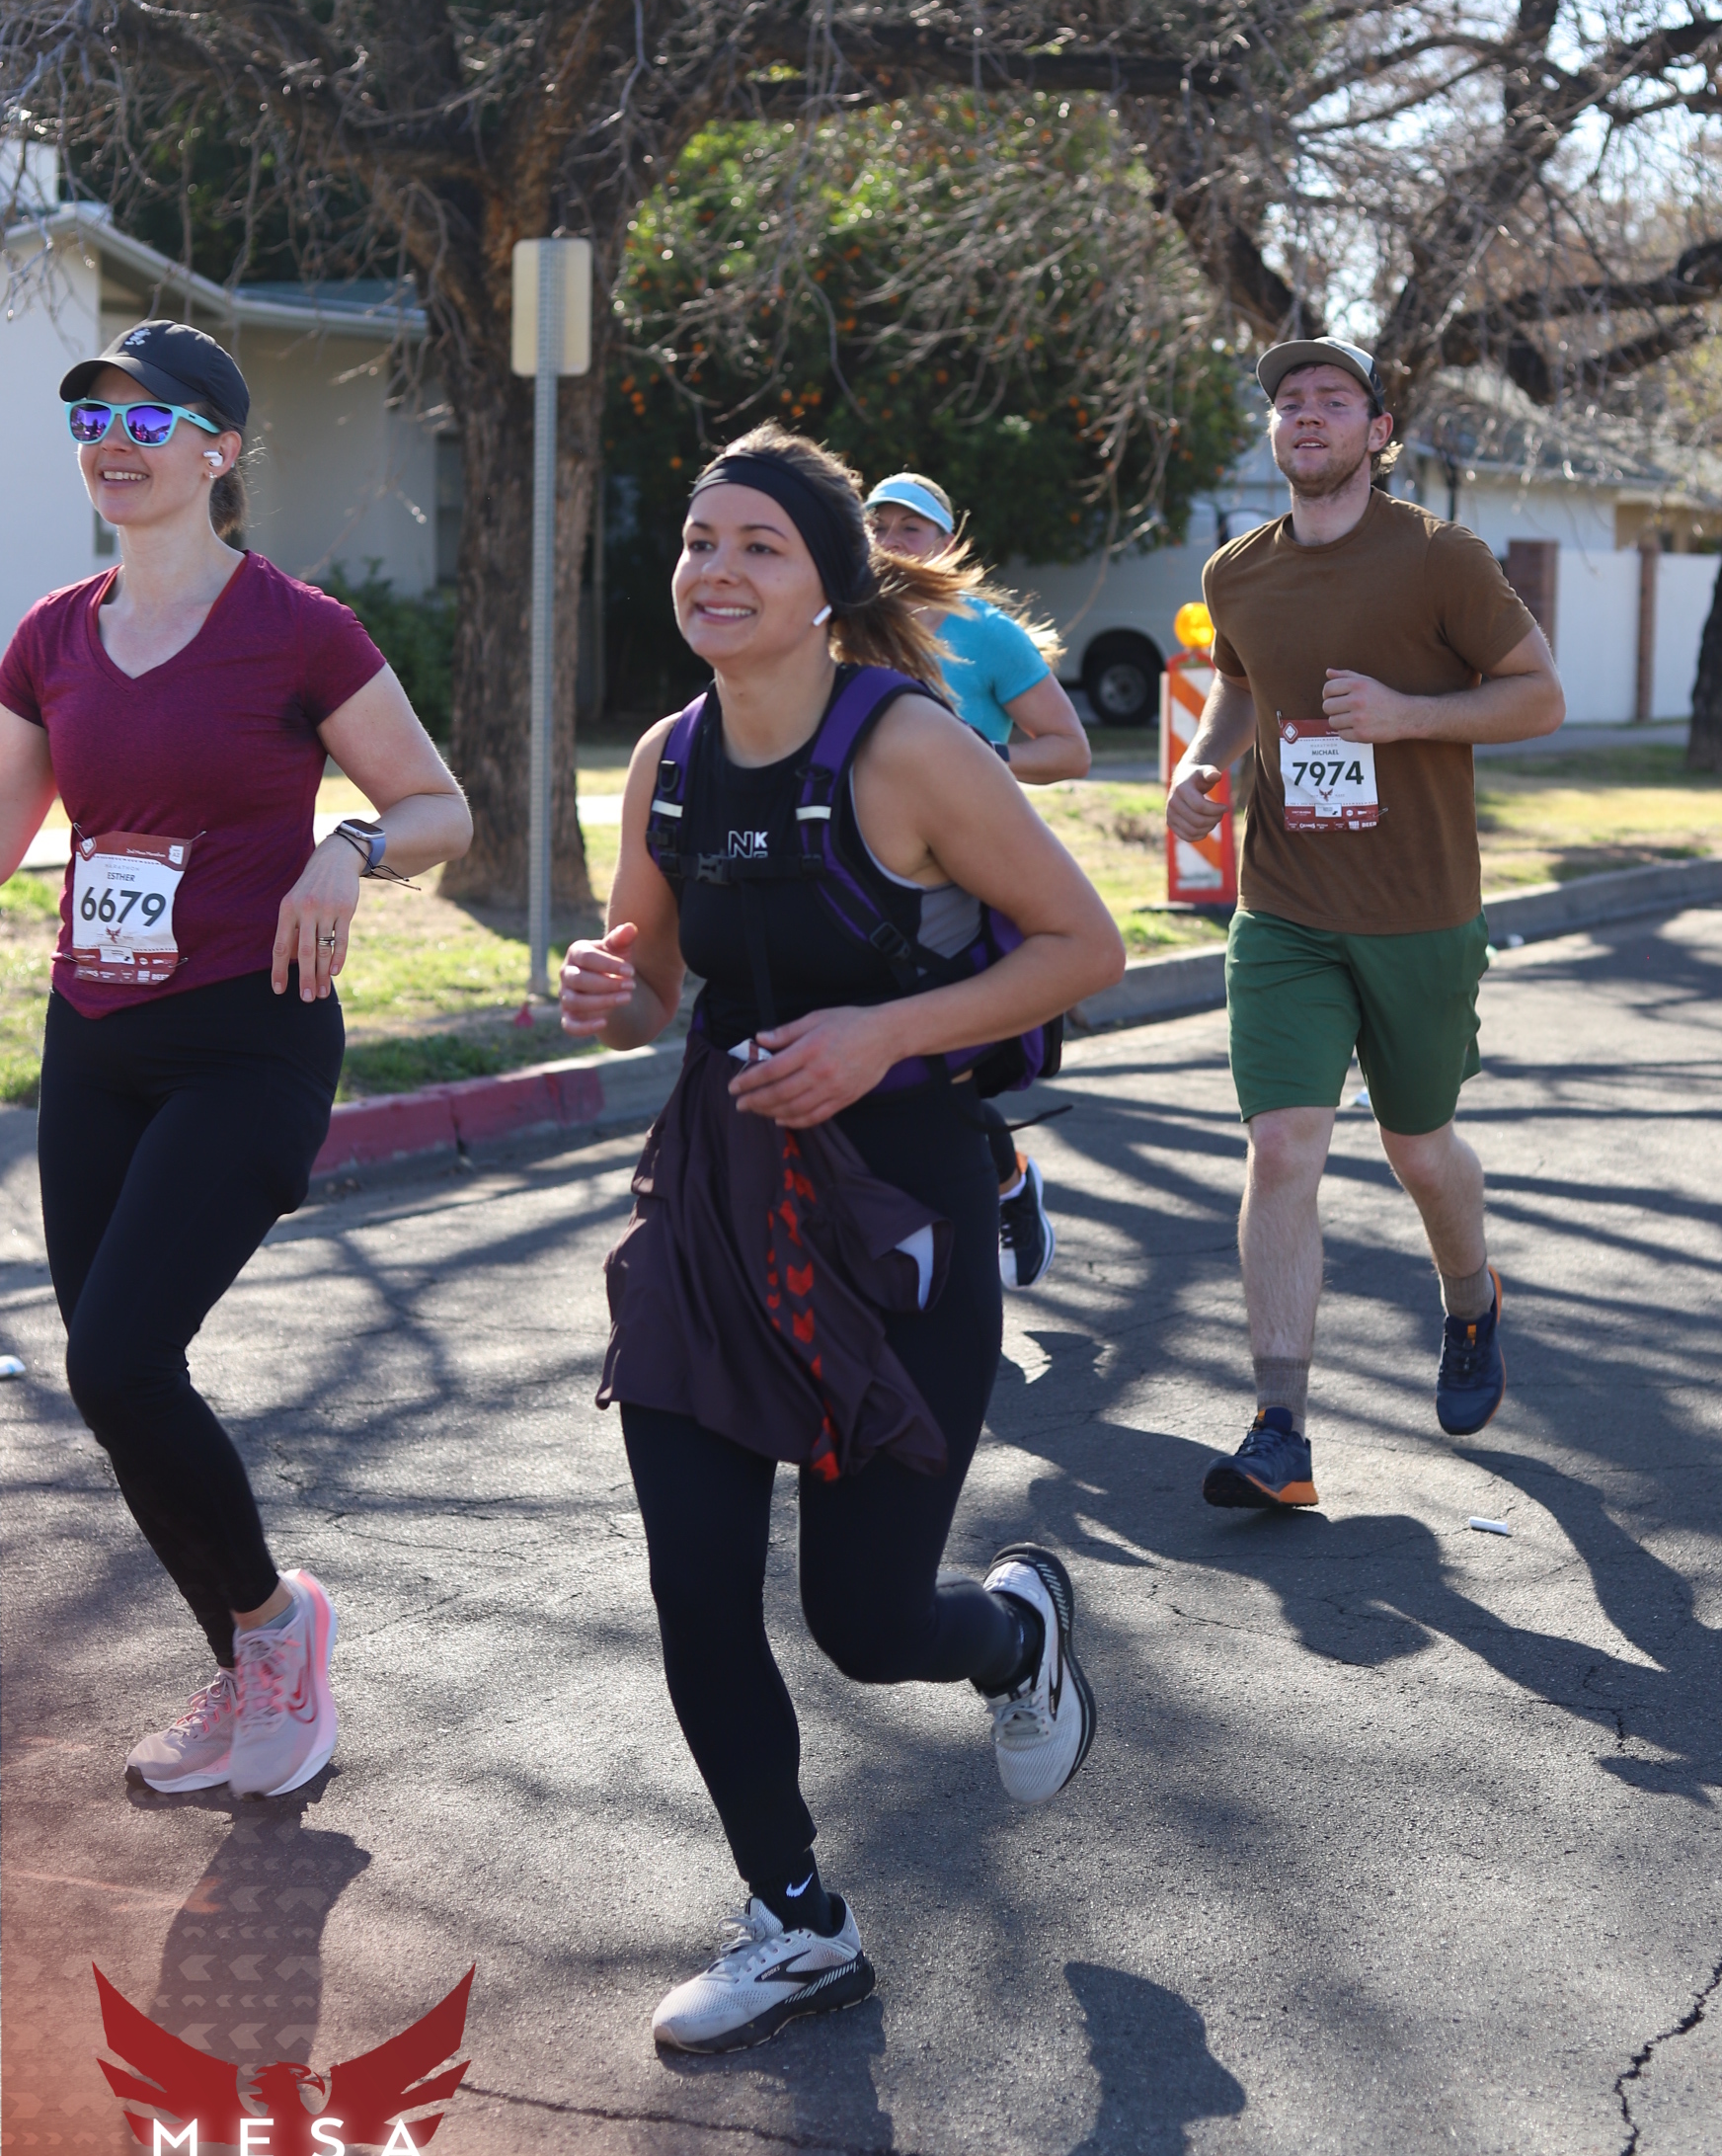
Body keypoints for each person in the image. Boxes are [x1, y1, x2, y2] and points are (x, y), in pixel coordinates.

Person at [562, 426, 1124, 2056]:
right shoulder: (667, 760)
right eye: (698, 540)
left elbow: (1080, 945)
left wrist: (883, 1036)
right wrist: (614, 993)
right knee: (695, 1584)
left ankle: (1014, 1636)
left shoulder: (910, 747)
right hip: (716, 1205)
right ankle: (796, 1922)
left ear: (826, 588)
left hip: (900, 1211)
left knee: (866, 1627)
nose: (716, 569)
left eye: (760, 546)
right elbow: (654, 984)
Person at [0, 322, 472, 1794]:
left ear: (219, 450)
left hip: (249, 1038)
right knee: (113, 1383)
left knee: (122, 1356)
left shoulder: (298, 630)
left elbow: (440, 807)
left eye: (150, 420)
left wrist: (348, 847)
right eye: (93, 420)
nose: (115, 443)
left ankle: (274, 1636)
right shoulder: (50, 637)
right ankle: (250, 1657)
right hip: (96, 1038)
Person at [1166, 340, 1565, 1510]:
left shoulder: (1440, 558)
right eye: (1289, 402)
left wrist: (1404, 714)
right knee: (1283, 1147)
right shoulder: (1236, 573)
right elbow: (1243, 683)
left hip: (1419, 911)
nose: (1307, 415)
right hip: (1285, 906)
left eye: (1333, 401)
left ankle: (1470, 1300)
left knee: (1417, 1151)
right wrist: (1205, 763)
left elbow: (1538, 696)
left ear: (1376, 432)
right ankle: (1279, 1430)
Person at [865, 469, 1090, 1290]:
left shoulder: (986, 634)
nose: (891, 540)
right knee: (880, 1070)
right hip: (865, 874)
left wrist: (982, 758)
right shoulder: (840, 625)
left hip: (970, 879)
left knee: (934, 1069)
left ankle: (1004, 1186)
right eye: (878, 525)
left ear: (946, 542)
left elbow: (1069, 749)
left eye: (911, 527)